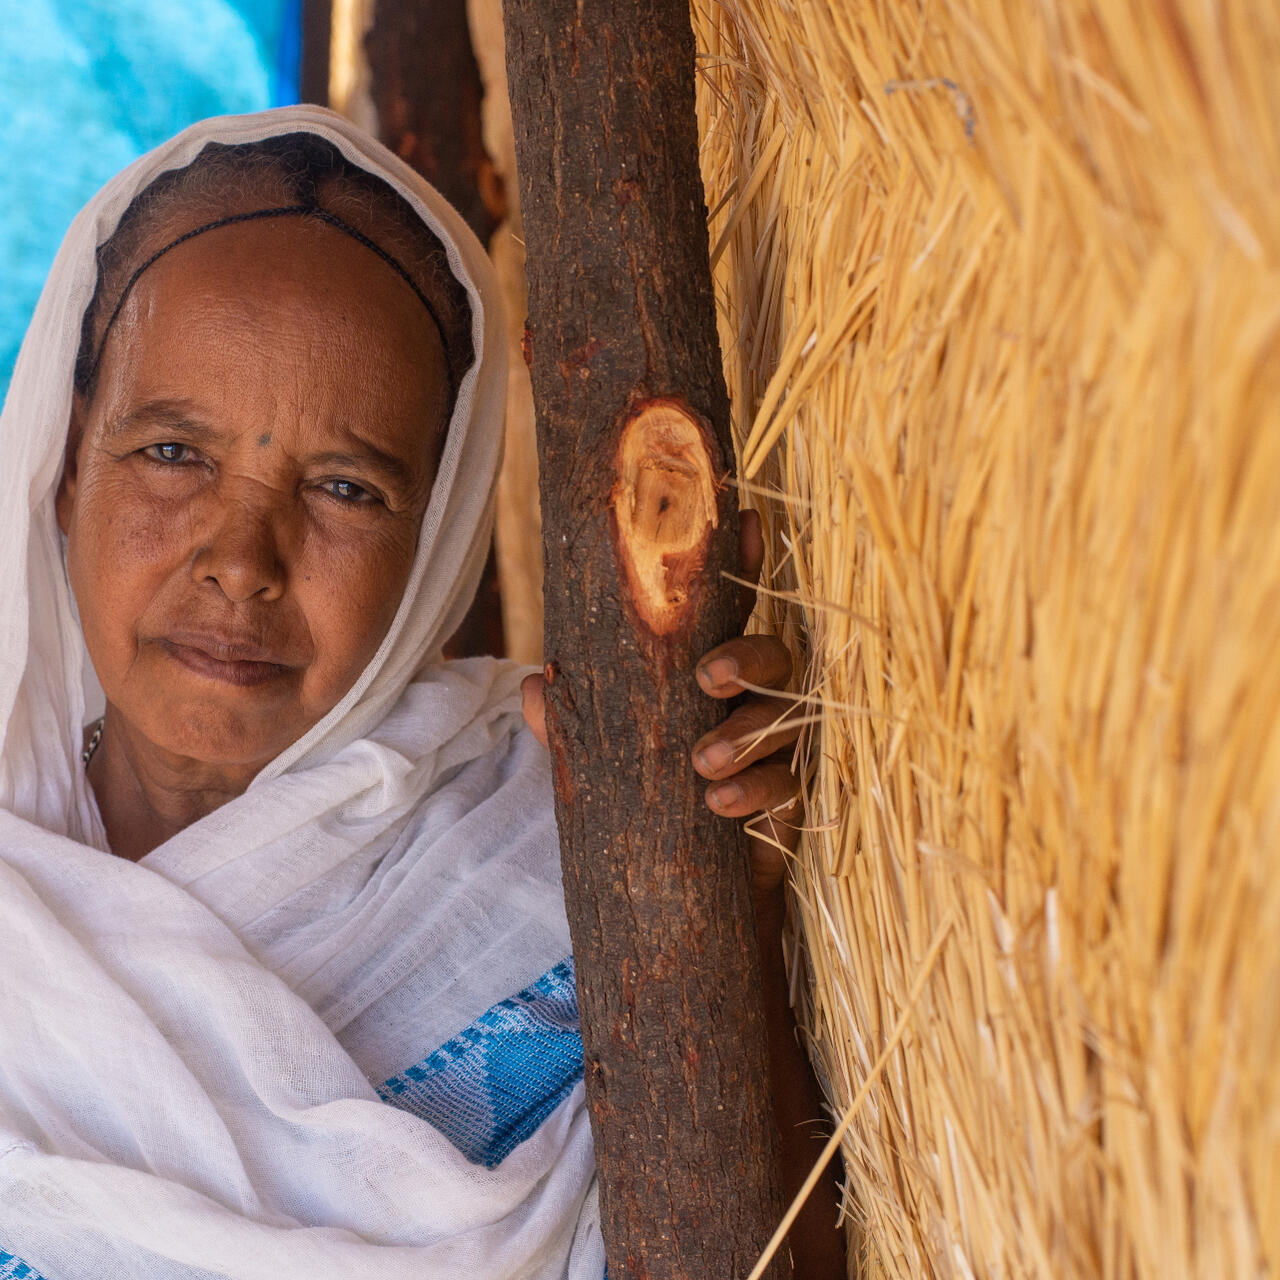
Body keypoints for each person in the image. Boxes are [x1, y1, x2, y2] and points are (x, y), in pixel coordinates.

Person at [0, 106, 840, 1278]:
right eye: (173, 453)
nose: (243, 556)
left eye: (344, 486)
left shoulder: (565, 828)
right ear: (63, 464)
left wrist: (714, 913)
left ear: (436, 530)